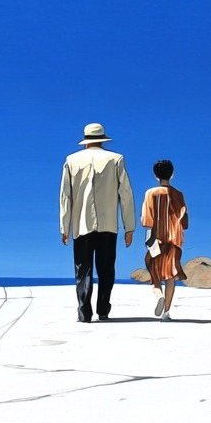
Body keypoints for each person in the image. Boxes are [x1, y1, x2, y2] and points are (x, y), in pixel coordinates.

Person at [59, 122, 136, 323]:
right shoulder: (116, 159)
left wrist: (64, 226)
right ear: (103, 140)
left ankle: (84, 312)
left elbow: (65, 196)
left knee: (82, 269)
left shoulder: (71, 160)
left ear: (85, 141)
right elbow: (126, 195)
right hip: (108, 224)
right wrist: (129, 226)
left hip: (81, 224)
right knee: (106, 268)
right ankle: (103, 309)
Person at [141, 159, 189, 320]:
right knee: (170, 276)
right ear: (172, 174)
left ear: (156, 175)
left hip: (157, 240)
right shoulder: (178, 195)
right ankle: (166, 312)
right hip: (174, 240)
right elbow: (184, 221)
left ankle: (158, 295)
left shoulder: (150, 193)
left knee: (154, 273)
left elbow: (146, 220)